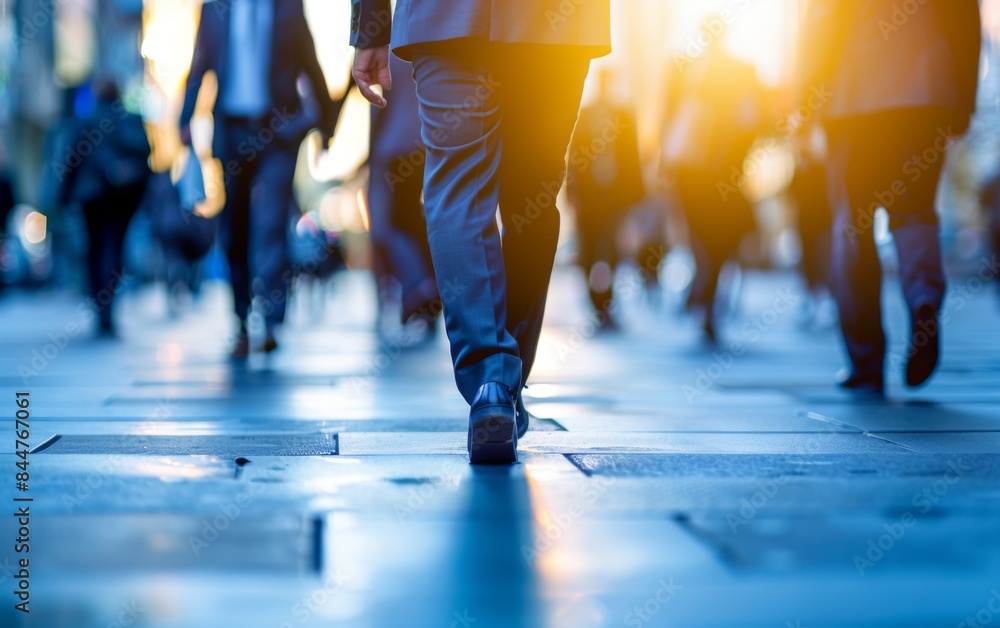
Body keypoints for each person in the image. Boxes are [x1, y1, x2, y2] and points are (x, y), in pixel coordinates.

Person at [351, 0, 610, 463]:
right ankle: (504, 381)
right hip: (553, 24)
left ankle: (492, 378)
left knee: (456, 192)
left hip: (446, 18)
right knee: (532, 199)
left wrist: (372, 27)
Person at [801, 0, 981, 394]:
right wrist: (963, 97)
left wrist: (807, 97)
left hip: (854, 97)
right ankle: (923, 301)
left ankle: (865, 362)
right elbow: (966, 18)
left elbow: (823, 20)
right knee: (914, 213)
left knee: (853, 225)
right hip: (926, 95)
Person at [179, 0, 341, 358]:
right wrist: (185, 118)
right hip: (232, 132)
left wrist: (328, 126)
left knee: (270, 222)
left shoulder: (288, 6)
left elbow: (308, 59)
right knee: (235, 225)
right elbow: (200, 63)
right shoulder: (214, 9)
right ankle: (240, 318)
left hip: (277, 132)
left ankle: (270, 317)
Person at [662, 24, 767, 342]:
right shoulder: (737, 72)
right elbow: (757, 121)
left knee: (706, 236)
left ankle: (703, 292)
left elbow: (669, 119)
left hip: (698, 171)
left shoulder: (687, 70)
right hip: (718, 171)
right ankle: (705, 293)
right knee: (717, 238)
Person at [60, 77, 151, 337]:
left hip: (92, 198)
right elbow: (145, 155)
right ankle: (107, 304)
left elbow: (71, 160)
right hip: (122, 198)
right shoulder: (131, 120)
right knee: (114, 247)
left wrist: (64, 196)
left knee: (94, 248)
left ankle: (101, 306)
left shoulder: (85, 120)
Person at [367, 54, 439, 340]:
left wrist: (371, 152)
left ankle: (420, 286)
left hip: (394, 147)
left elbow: (379, 106)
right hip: (423, 142)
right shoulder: (422, 43)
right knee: (413, 216)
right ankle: (425, 286)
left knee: (393, 221)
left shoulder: (388, 50)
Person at [567, 67, 645, 328]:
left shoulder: (623, 116)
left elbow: (632, 156)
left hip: (615, 196)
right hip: (589, 197)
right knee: (589, 249)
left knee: (610, 248)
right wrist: (572, 191)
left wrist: (636, 195)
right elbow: (574, 156)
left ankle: (606, 300)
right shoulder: (585, 115)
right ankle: (595, 299)